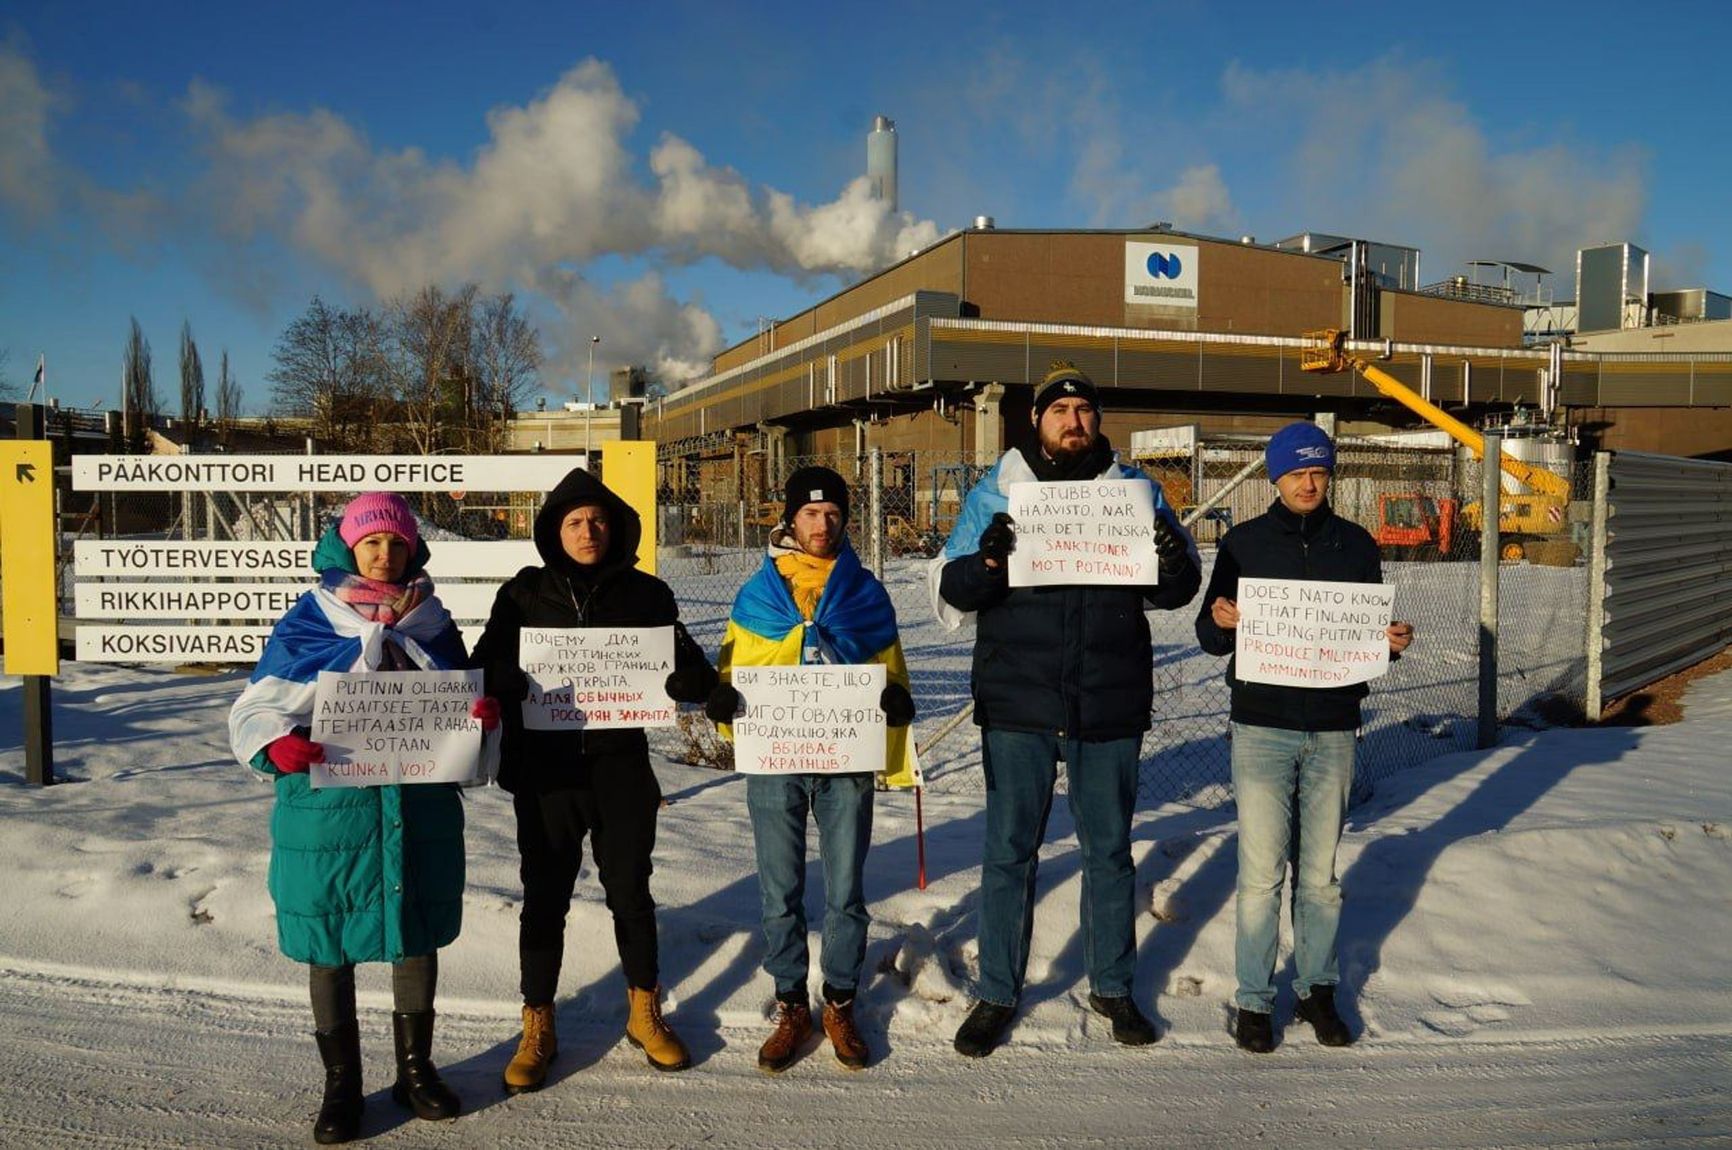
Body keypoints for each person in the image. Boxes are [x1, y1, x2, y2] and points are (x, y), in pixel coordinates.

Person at [932, 363, 1201, 1058]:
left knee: (1108, 852)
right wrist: (987, 564)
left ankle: (1112, 987)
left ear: (1097, 420)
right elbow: (952, 590)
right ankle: (997, 990)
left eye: (1084, 409)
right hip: (1018, 701)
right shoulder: (998, 492)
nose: (1073, 421)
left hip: (1106, 700)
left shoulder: (1135, 491)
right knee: (1008, 854)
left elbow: (1177, 587)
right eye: (1060, 410)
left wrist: (1173, 560)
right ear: (1037, 420)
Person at [228, 492, 497, 1145]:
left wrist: (480, 724)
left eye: (396, 543)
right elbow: (258, 704)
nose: (384, 553)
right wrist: (273, 745)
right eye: (372, 542)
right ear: (348, 547)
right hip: (328, 812)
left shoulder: (432, 622)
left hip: (418, 807)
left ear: (412, 550)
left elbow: (459, 708)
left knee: (415, 931)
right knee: (329, 940)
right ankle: (342, 1084)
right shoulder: (310, 620)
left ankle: (415, 1069)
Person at [470, 466, 718, 1091]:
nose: (589, 531)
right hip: (546, 770)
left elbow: (687, 662)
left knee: (631, 891)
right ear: (553, 530)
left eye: (599, 521)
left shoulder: (646, 593)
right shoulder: (523, 593)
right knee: (544, 895)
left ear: (616, 528)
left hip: (620, 766)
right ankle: (538, 1021)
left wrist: (693, 683)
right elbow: (482, 662)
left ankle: (643, 1009)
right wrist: (499, 676)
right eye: (575, 521)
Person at [1194, 421, 1415, 1053]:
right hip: (1263, 728)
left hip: (1335, 729)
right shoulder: (1243, 545)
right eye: (1297, 473)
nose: (1309, 483)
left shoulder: (1357, 545)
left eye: (1319, 472)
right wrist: (1221, 620)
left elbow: (1364, 640)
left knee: (1319, 878)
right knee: (1261, 874)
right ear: (1275, 477)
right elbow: (1210, 638)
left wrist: (1389, 644)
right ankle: (1255, 999)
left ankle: (1318, 989)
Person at [705, 465, 917, 1073]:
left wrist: (895, 699)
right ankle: (791, 1001)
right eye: (810, 514)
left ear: (844, 520)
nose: (821, 525)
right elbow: (733, 665)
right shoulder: (757, 596)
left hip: (843, 758)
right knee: (780, 888)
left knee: (846, 889)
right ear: (790, 519)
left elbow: (889, 665)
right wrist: (723, 702)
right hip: (777, 760)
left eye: (832, 515)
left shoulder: (866, 592)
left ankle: (841, 1000)